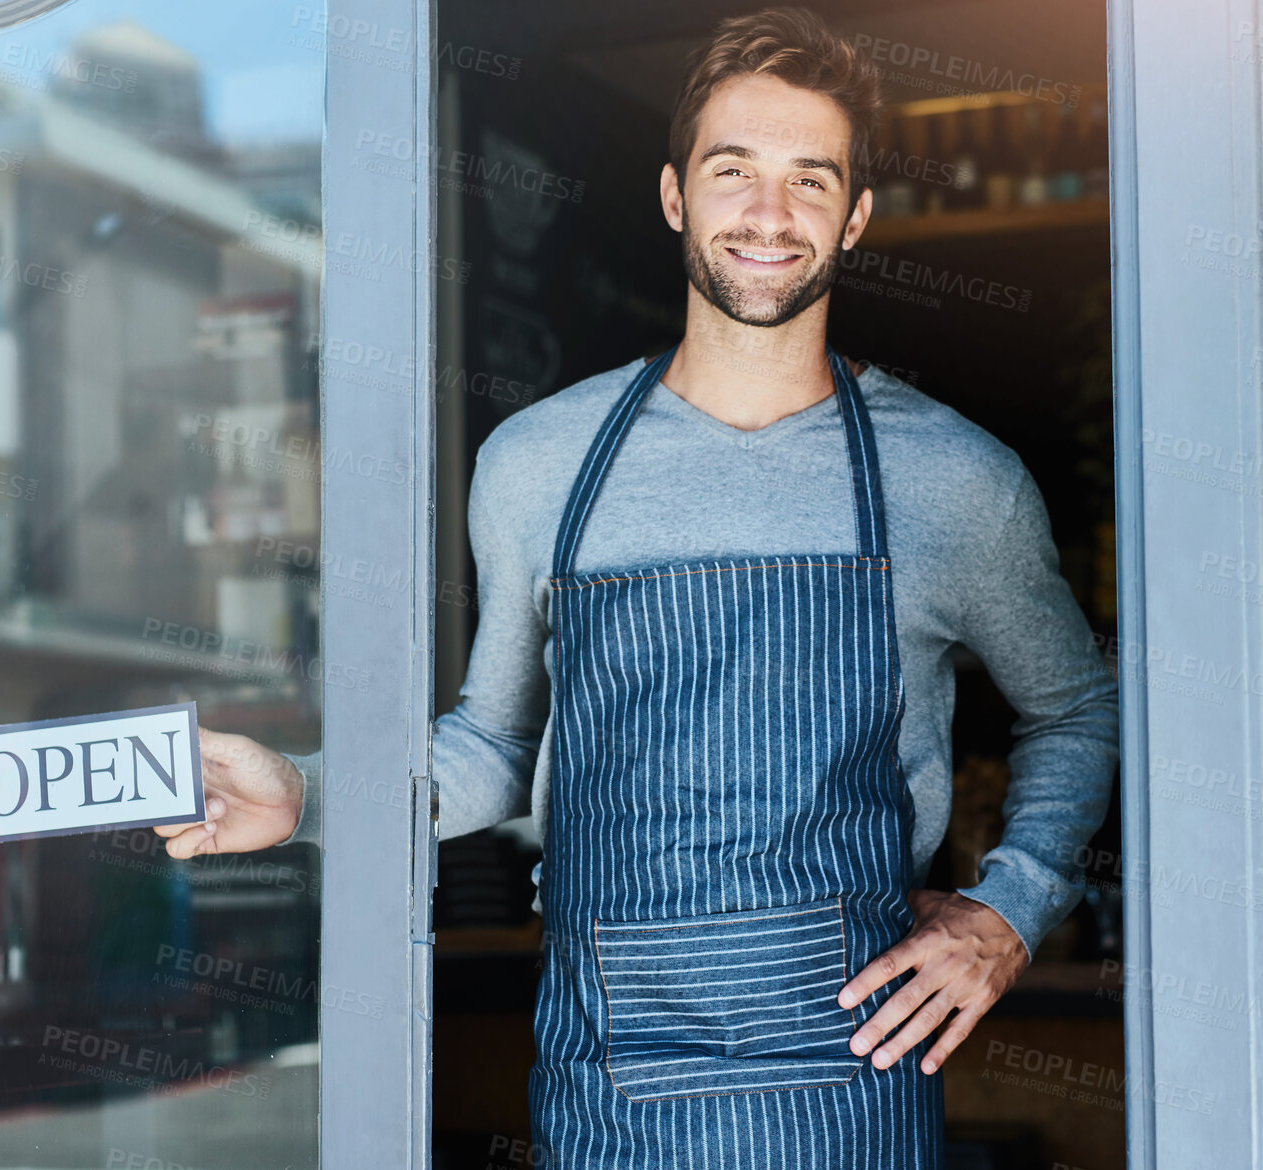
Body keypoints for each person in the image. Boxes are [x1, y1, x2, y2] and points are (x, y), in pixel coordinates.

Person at [157, 7, 1118, 1163]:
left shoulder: (952, 481)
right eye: (734, 172)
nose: (769, 215)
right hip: (608, 1085)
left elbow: (1079, 706)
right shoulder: (540, 465)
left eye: (810, 181)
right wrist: (308, 795)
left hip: (844, 1088)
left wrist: (1010, 911)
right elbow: (498, 745)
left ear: (856, 216)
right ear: (674, 196)